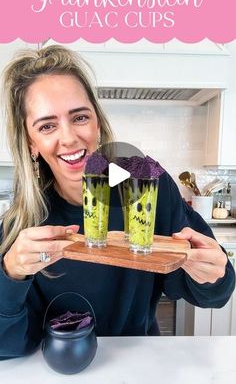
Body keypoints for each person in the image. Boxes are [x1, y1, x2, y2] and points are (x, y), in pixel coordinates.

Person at [0, 45, 235, 360]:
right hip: (61, 365)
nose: (68, 138)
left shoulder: (147, 186)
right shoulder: (22, 223)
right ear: (31, 143)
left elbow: (207, 293)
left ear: (96, 123)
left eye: (79, 117)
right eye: (47, 126)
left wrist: (213, 275)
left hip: (138, 363)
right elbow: (9, 346)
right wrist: (10, 273)